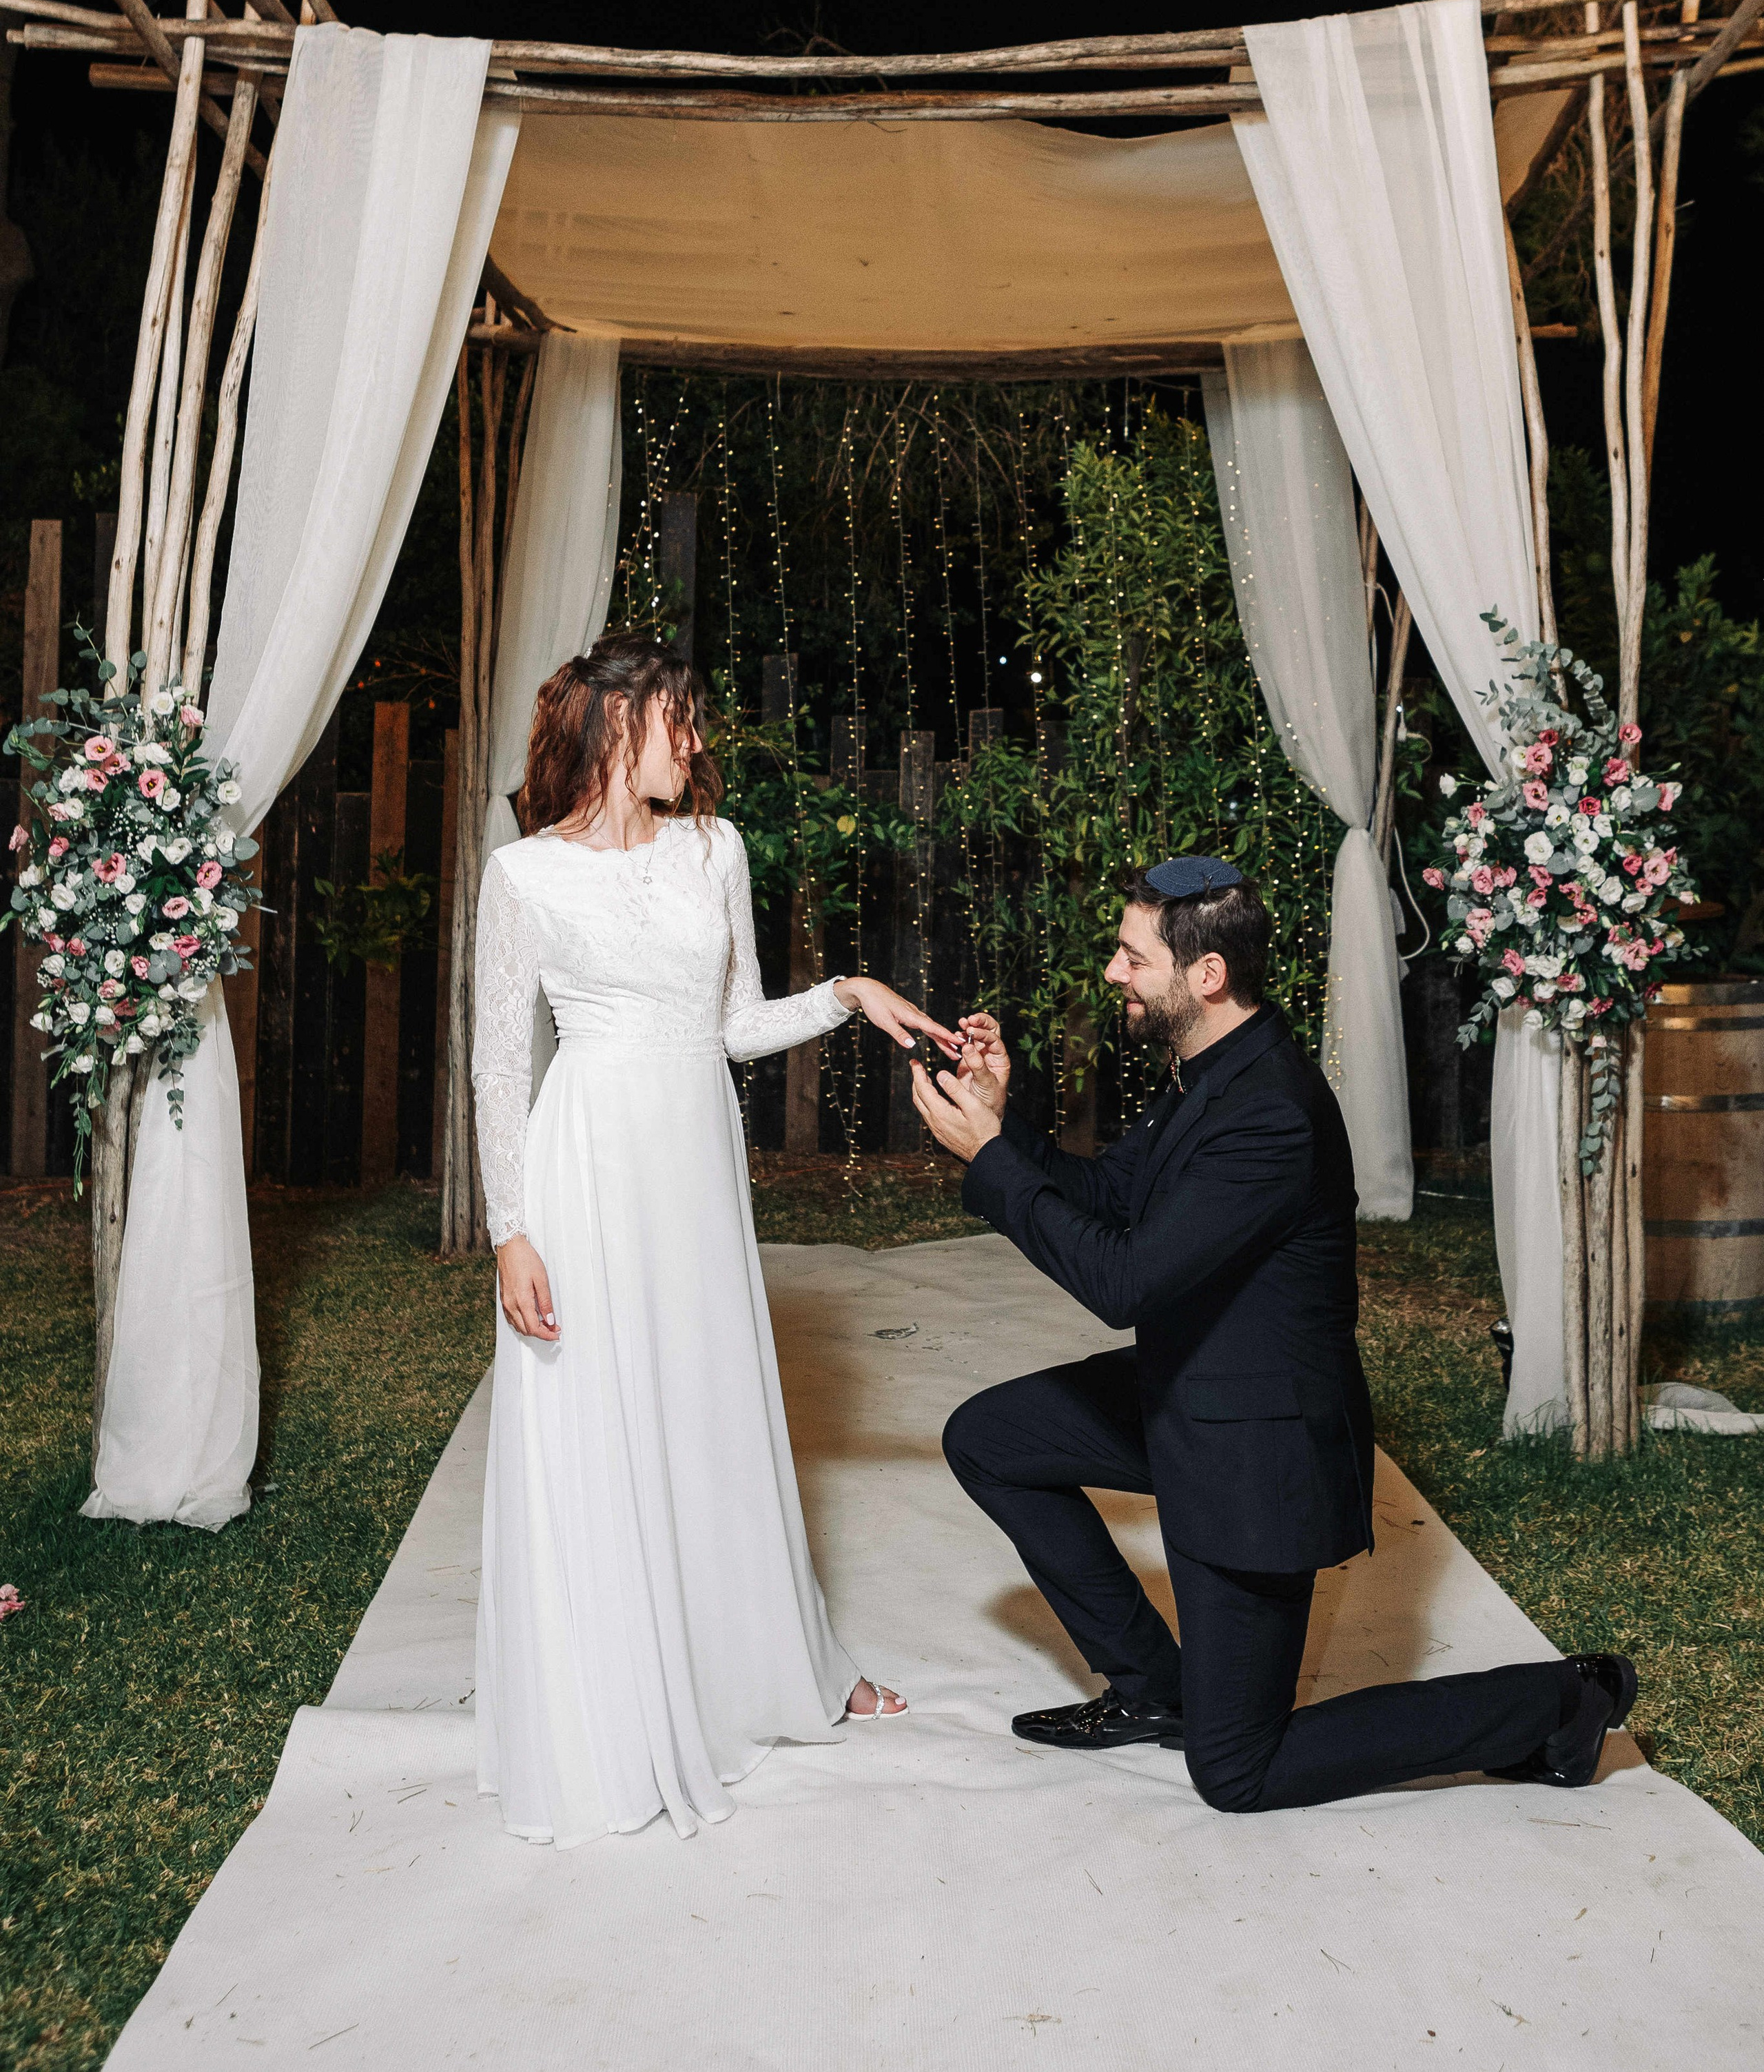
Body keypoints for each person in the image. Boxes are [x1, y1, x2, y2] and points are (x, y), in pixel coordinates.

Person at [913, 855, 1637, 1813]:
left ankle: (1560, 1700)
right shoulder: (1216, 1067)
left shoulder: (1271, 1115)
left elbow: (1121, 1280)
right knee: (990, 1438)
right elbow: (1119, 1197)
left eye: (1132, 957)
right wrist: (1007, 1129)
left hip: (1261, 1453)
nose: (1112, 973)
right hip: (1190, 1395)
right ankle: (1151, 1688)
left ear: (1204, 977)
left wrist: (995, 1164)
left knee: (1238, 1774)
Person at [473, 632, 956, 1844]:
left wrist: (849, 995)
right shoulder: (523, 877)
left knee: (709, 1404)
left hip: (691, 1166)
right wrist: (511, 1230)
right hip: (586, 1164)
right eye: (675, 722)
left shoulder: (714, 847)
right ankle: (615, 1694)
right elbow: (495, 1067)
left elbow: (734, 1025)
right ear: (613, 726)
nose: (694, 743)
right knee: (606, 1410)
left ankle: (771, 1668)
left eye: (695, 720)